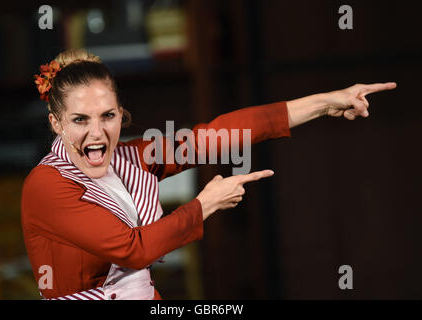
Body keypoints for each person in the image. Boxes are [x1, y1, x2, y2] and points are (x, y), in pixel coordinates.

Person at [21, 48, 396, 300]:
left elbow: (216, 136)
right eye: (79, 120)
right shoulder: (46, 185)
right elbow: (133, 250)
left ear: (122, 114)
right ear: (56, 123)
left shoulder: (131, 158)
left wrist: (325, 103)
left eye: (108, 116)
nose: (97, 132)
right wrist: (204, 205)